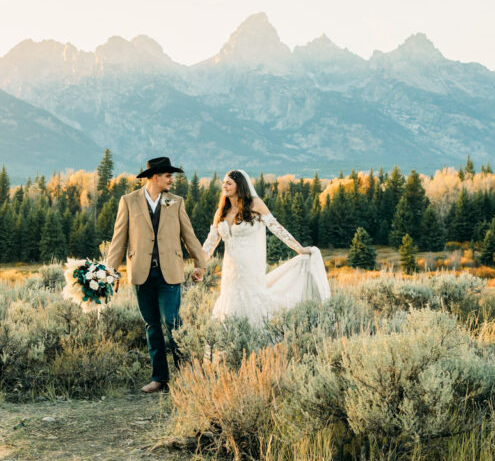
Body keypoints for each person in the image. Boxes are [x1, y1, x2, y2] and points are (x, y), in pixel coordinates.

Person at [105, 157, 208, 393]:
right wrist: (111, 269)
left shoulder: (176, 202)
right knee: (152, 325)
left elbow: (188, 235)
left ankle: (186, 377)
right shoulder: (128, 201)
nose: (172, 180)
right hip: (141, 273)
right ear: (154, 177)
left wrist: (199, 264)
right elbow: (119, 237)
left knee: (172, 322)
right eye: (167, 176)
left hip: (170, 272)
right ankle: (159, 378)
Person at [201, 169, 330, 325]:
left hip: (250, 268)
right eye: (223, 183)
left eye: (229, 183)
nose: (224, 186)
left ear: (239, 185)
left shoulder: (255, 204)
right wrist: (198, 264)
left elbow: (276, 228)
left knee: (252, 300)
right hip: (230, 271)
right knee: (231, 302)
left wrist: (299, 249)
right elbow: (210, 244)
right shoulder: (221, 212)